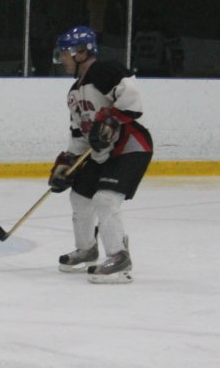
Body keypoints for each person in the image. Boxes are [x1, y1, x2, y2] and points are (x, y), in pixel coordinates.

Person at [49, 25, 153, 284]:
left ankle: (119, 258)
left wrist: (110, 120)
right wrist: (67, 163)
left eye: (65, 53)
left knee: (105, 199)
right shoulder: (74, 92)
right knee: (79, 197)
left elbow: (132, 99)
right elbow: (80, 134)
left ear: (81, 52)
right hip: (100, 154)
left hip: (130, 148)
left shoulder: (106, 71)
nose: (62, 59)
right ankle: (87, 250)